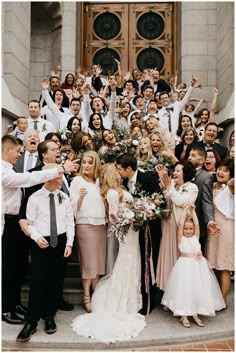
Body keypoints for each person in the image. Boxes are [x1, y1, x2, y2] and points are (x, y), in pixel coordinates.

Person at [71, 163, 145, 343]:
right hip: (126, 231)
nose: (120, 173)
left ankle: (130, 294)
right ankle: (123, 297)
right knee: (127, 260)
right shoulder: (113, 193)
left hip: (131, 231)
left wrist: (137, 213)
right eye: (117, 171)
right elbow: (113, 216)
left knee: (132, 259)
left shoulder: (119, 190)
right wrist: (131, 217)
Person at [2, 136, 63, 325]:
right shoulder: (3, 171)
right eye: (17, 151)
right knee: (8, 269)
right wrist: (55, 170)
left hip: (17, 223)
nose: (20, 154)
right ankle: (6, 309)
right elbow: (28, 179)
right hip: (9, 224)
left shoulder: (10, 169)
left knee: (19, 267)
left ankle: (15, 303)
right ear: (7, 151)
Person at [16, 174, 75, 342]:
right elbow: (29, 222)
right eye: (59, 179)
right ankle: (31, 321)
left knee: (56, 280)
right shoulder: (34, 198)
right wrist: (36, 237)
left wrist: (69, 243)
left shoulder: (64, 197)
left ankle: (50, 316)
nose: (62, 182)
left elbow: (70, 222)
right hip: (41, 242)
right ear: (49, 179)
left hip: (60, 242)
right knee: (38, 280)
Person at [161, 205, 226, 328]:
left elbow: (196, 224)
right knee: (185, 289)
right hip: (185, 266)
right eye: (186, 229)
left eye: (190, 229)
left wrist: (193, 211)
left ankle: (195, 312)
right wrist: (185, 211)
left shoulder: (195, 237)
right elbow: (180, 225)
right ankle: (184, 315)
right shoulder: (181, 239)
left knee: (196, 289)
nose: (188, 231)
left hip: (197, 267)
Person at [116, 153, 162, 315]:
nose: (118, 171)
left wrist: (145, 210)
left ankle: (149, 301)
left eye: (120, 169)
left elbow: (159, 200)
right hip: (135, 230)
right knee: (140, 261)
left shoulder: (147, 179)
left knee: (148, 262)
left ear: (129, 169)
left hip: (149, 230)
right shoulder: (125, 181)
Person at [69, 151, 107, 313]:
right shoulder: (76, 181)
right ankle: (86, 296)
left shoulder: (99, 181)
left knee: (98, 261)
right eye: (84, 162)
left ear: (95, 164)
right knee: (88, 262)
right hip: (84, 225)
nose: (86, 165)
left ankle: (96, 293)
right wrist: (80, 199)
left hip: (100, 225)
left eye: (89, 162)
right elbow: (70, 206)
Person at [156, 161, 198, 292]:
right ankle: (169, 292)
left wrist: (169, 186)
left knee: (180, 259)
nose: (174, 173)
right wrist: (163, 182)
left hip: (181, 228)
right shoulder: (172, 184)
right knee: (168, 255)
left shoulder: (192, 187)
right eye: (174, 170)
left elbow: (181, 201)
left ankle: (180, 292)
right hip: (168, 225)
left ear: (186, 173)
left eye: (178, 171)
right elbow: (166, 199)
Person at [206, 158, 234, 306]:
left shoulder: (230, 187)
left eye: (225, 170)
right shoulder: (212, 185)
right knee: (214, 263)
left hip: (226, 228)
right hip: (213, 228)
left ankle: (223, 299)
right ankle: (215, 297)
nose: (220, 172)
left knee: (224, 265)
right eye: (220, 169)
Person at [188, 146, 220, 253]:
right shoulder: (185, 173)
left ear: (202, 160)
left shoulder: (206, 177)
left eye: (193, 155)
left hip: (197, 223)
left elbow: (207, 200)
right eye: (189, 155)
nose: (189, 158)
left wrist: (210, 221)